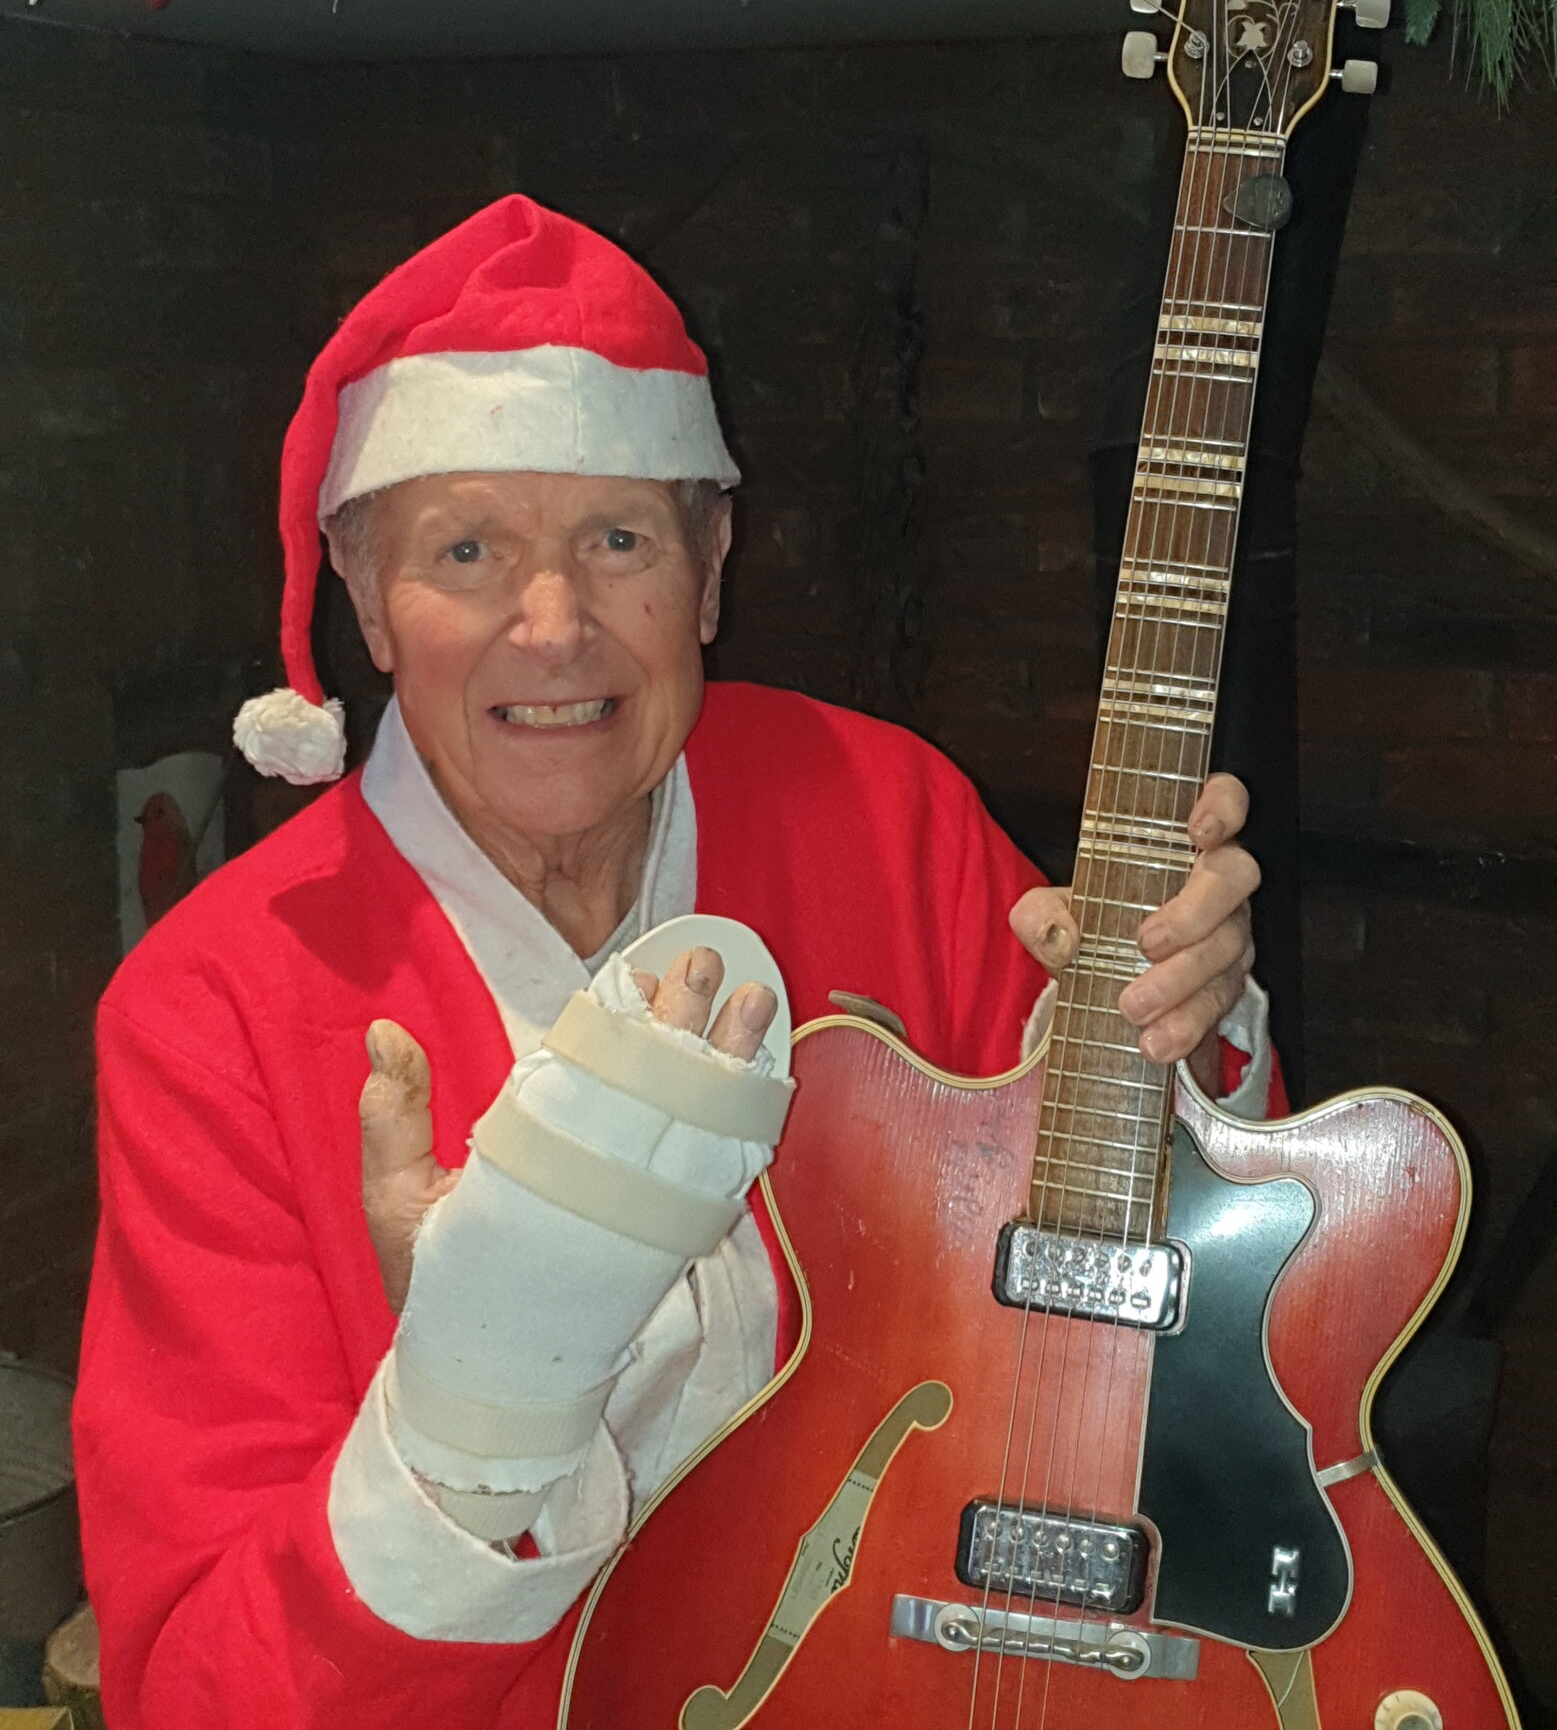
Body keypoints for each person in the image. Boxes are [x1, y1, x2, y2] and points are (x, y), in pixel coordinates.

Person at [74, 195, 1270, 1730]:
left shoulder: (882, 810)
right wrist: (472, 1414)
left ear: (709, 570)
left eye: (619, 541)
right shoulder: (215, 1004)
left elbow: (1139, 1282)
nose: (553, 626)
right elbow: (200, 1691)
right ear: (365, 598)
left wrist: (1175, 1013)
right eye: (466, 550)